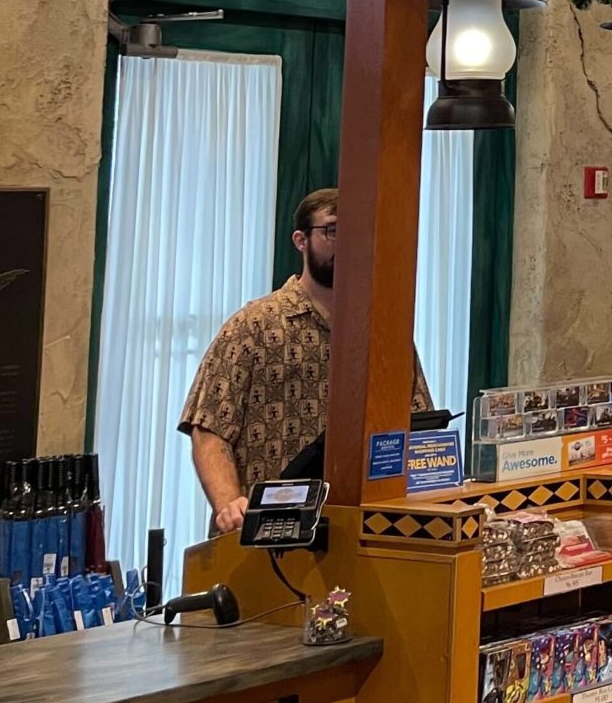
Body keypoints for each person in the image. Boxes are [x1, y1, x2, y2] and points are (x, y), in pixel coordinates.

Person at [180, 188, 432, 534]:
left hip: (362, 532)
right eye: (333, 230)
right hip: (265, 533)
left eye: (356, 231)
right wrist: (229, 504)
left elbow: (420, 427)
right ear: (301, 240)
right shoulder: (254, 326)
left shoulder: (383, 334)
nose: (347, 242)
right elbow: (208, 427)